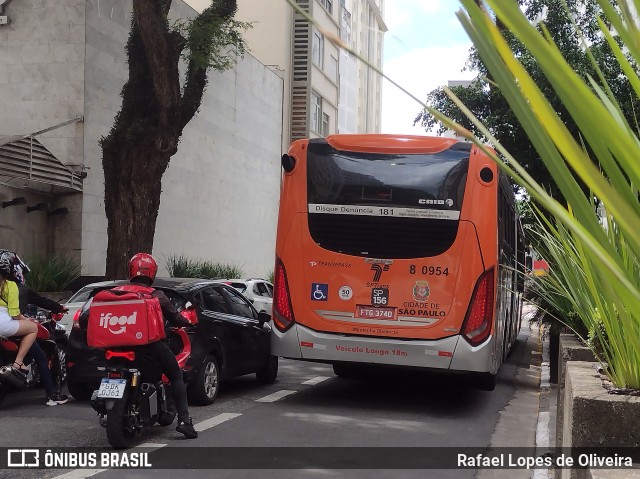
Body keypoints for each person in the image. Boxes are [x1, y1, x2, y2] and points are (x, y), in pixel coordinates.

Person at [88, 253, 198, 439]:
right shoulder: (156, 295)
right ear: (152, 273)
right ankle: (184, 421)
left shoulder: (116, 292)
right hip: (148, 347)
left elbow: (86, 317)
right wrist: (187, 322)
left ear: (131, 271)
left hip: (111, 347)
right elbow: (175, 317)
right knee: (176, 375)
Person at [7, 255, 69, 406]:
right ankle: (52, 395)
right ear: (17, 272)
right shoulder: (19, 289)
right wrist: (60, 307)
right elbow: (42, 301)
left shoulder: (3, 288)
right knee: (41, 357)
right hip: (15, 328)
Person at [0, 251, 38, 377]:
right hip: (4, 323)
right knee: (33, 328)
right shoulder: (10, 286)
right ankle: (18, 362)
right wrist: (27, 320)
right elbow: (15, 314)